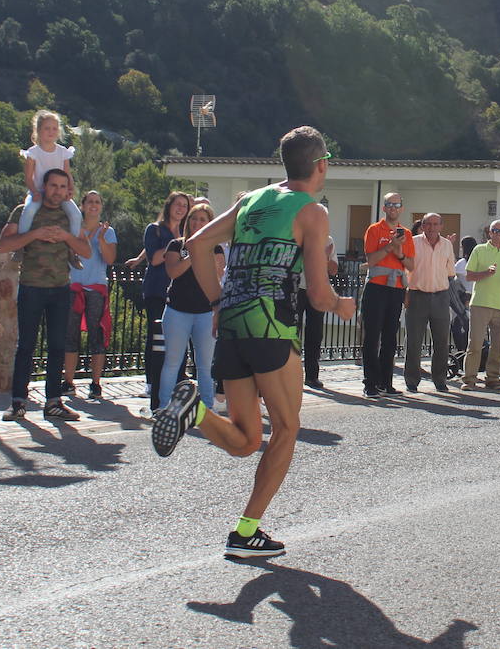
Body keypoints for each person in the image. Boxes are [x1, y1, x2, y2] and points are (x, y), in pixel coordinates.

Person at [151, 125, 356, 560]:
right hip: (271, 328)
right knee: (286, 428)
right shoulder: (312, 212)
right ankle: (246, 531)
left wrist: (215, 300)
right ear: (321, 165)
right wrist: (342, 305)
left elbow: (197, 242)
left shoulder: (251, 199)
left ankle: (195, 410)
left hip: (233, 329)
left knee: (246, 440)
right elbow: (318, 295)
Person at [0, 168, 93, 421]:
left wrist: (65, 237)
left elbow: (86, 251)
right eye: (54, 186)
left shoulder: (70, 216)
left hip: (60, 289)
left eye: (63, 187)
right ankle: (18, 402)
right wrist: (34, 235)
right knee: (26, 347)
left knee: (57, 347)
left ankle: (53, 402)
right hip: (31, 287)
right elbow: (3, 245)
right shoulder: (25, 211)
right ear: (44, 186)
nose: (58, 191)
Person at [158, 202, 223, 410]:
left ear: (209, 223)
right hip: (178, 311)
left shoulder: (217, 248)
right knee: (172, 362)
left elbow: (218, 275)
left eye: (202, 219)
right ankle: (163, 407)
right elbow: (173, 272)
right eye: (194, 218)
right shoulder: (176, 246)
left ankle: (207, 410)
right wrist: (194, 253)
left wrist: (205, 250)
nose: (196, 222)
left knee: (204, 366)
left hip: (205, 312)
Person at [133, 191, 191, 409]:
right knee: (156, 337)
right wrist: (174, 248)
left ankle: (178, 381)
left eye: (185, 206)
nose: (181, 209)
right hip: (157, 289)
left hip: (178, 291)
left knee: (179, 337)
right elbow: (154, 259)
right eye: (177, 204)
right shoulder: (155, 229)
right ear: (169, 206)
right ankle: (151, 382)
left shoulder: (187, 233)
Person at [360, 191, 415, 398]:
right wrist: (390, 246)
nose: (393, 208)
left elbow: (411, 264)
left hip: (396, 288)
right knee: (372, 336)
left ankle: (386, 382)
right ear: (384, 208)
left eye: (396, 204)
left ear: (402, 208)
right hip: (376, 286)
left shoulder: (407, 234)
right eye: (389, 204)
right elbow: (371, 260)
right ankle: (370, 383)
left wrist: (399, 252)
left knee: (390, 337)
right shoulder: (375, 230)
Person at [65, 189, 116, 400]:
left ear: (101, 206)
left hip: (96, 289)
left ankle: (95, 383)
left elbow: (110, 259)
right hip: (73, 287)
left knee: (97, 336)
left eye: (97, 202)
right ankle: (68, 381)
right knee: (70, 337)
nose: (94, 205)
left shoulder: (108, 232)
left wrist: (102, 240)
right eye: (90, 202)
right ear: (83, 206)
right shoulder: (74, 229)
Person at [462, 219, 500, 390]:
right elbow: (469, 276)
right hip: (481, 303)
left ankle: (493, 379)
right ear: (490, 232)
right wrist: (486, 273)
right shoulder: (479, 250)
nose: (499, 234)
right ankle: (469, 380)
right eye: (495, 231)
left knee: (498, 346)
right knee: (475, 344)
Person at [404, 213, 456, 393]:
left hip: (441, 296)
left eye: (436, 224)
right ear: (423, 225)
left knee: (441, 341)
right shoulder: (413, 242)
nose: (432, 228)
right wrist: (406, 293)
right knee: (414, 341)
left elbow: (450, 272)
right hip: (417, 295)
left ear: (441, 226)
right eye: (428, 224)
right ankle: (411, 380)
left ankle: (440, 380)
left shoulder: (447, 245)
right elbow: (404, 269)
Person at [15, 110, 82, 238]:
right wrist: (34, 192)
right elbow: (28, 178)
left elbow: (67, 174)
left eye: (54, 128)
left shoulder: (63, 152)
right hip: (38, 191)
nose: (51, 131)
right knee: (28, 211)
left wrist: (70, 190)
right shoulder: (33, 153)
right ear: (39, 130)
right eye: (47, 128)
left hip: (60, 192)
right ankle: (20, 244)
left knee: (76, 215)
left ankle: (73, 248)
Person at [299, 235, 336, 390]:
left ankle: (312, 376)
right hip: (297, 289)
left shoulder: (328, 240)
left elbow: (333, 270)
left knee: (315, 334)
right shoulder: (297, 236)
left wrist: (326, 257)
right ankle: (289, 375)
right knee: (292, 334)